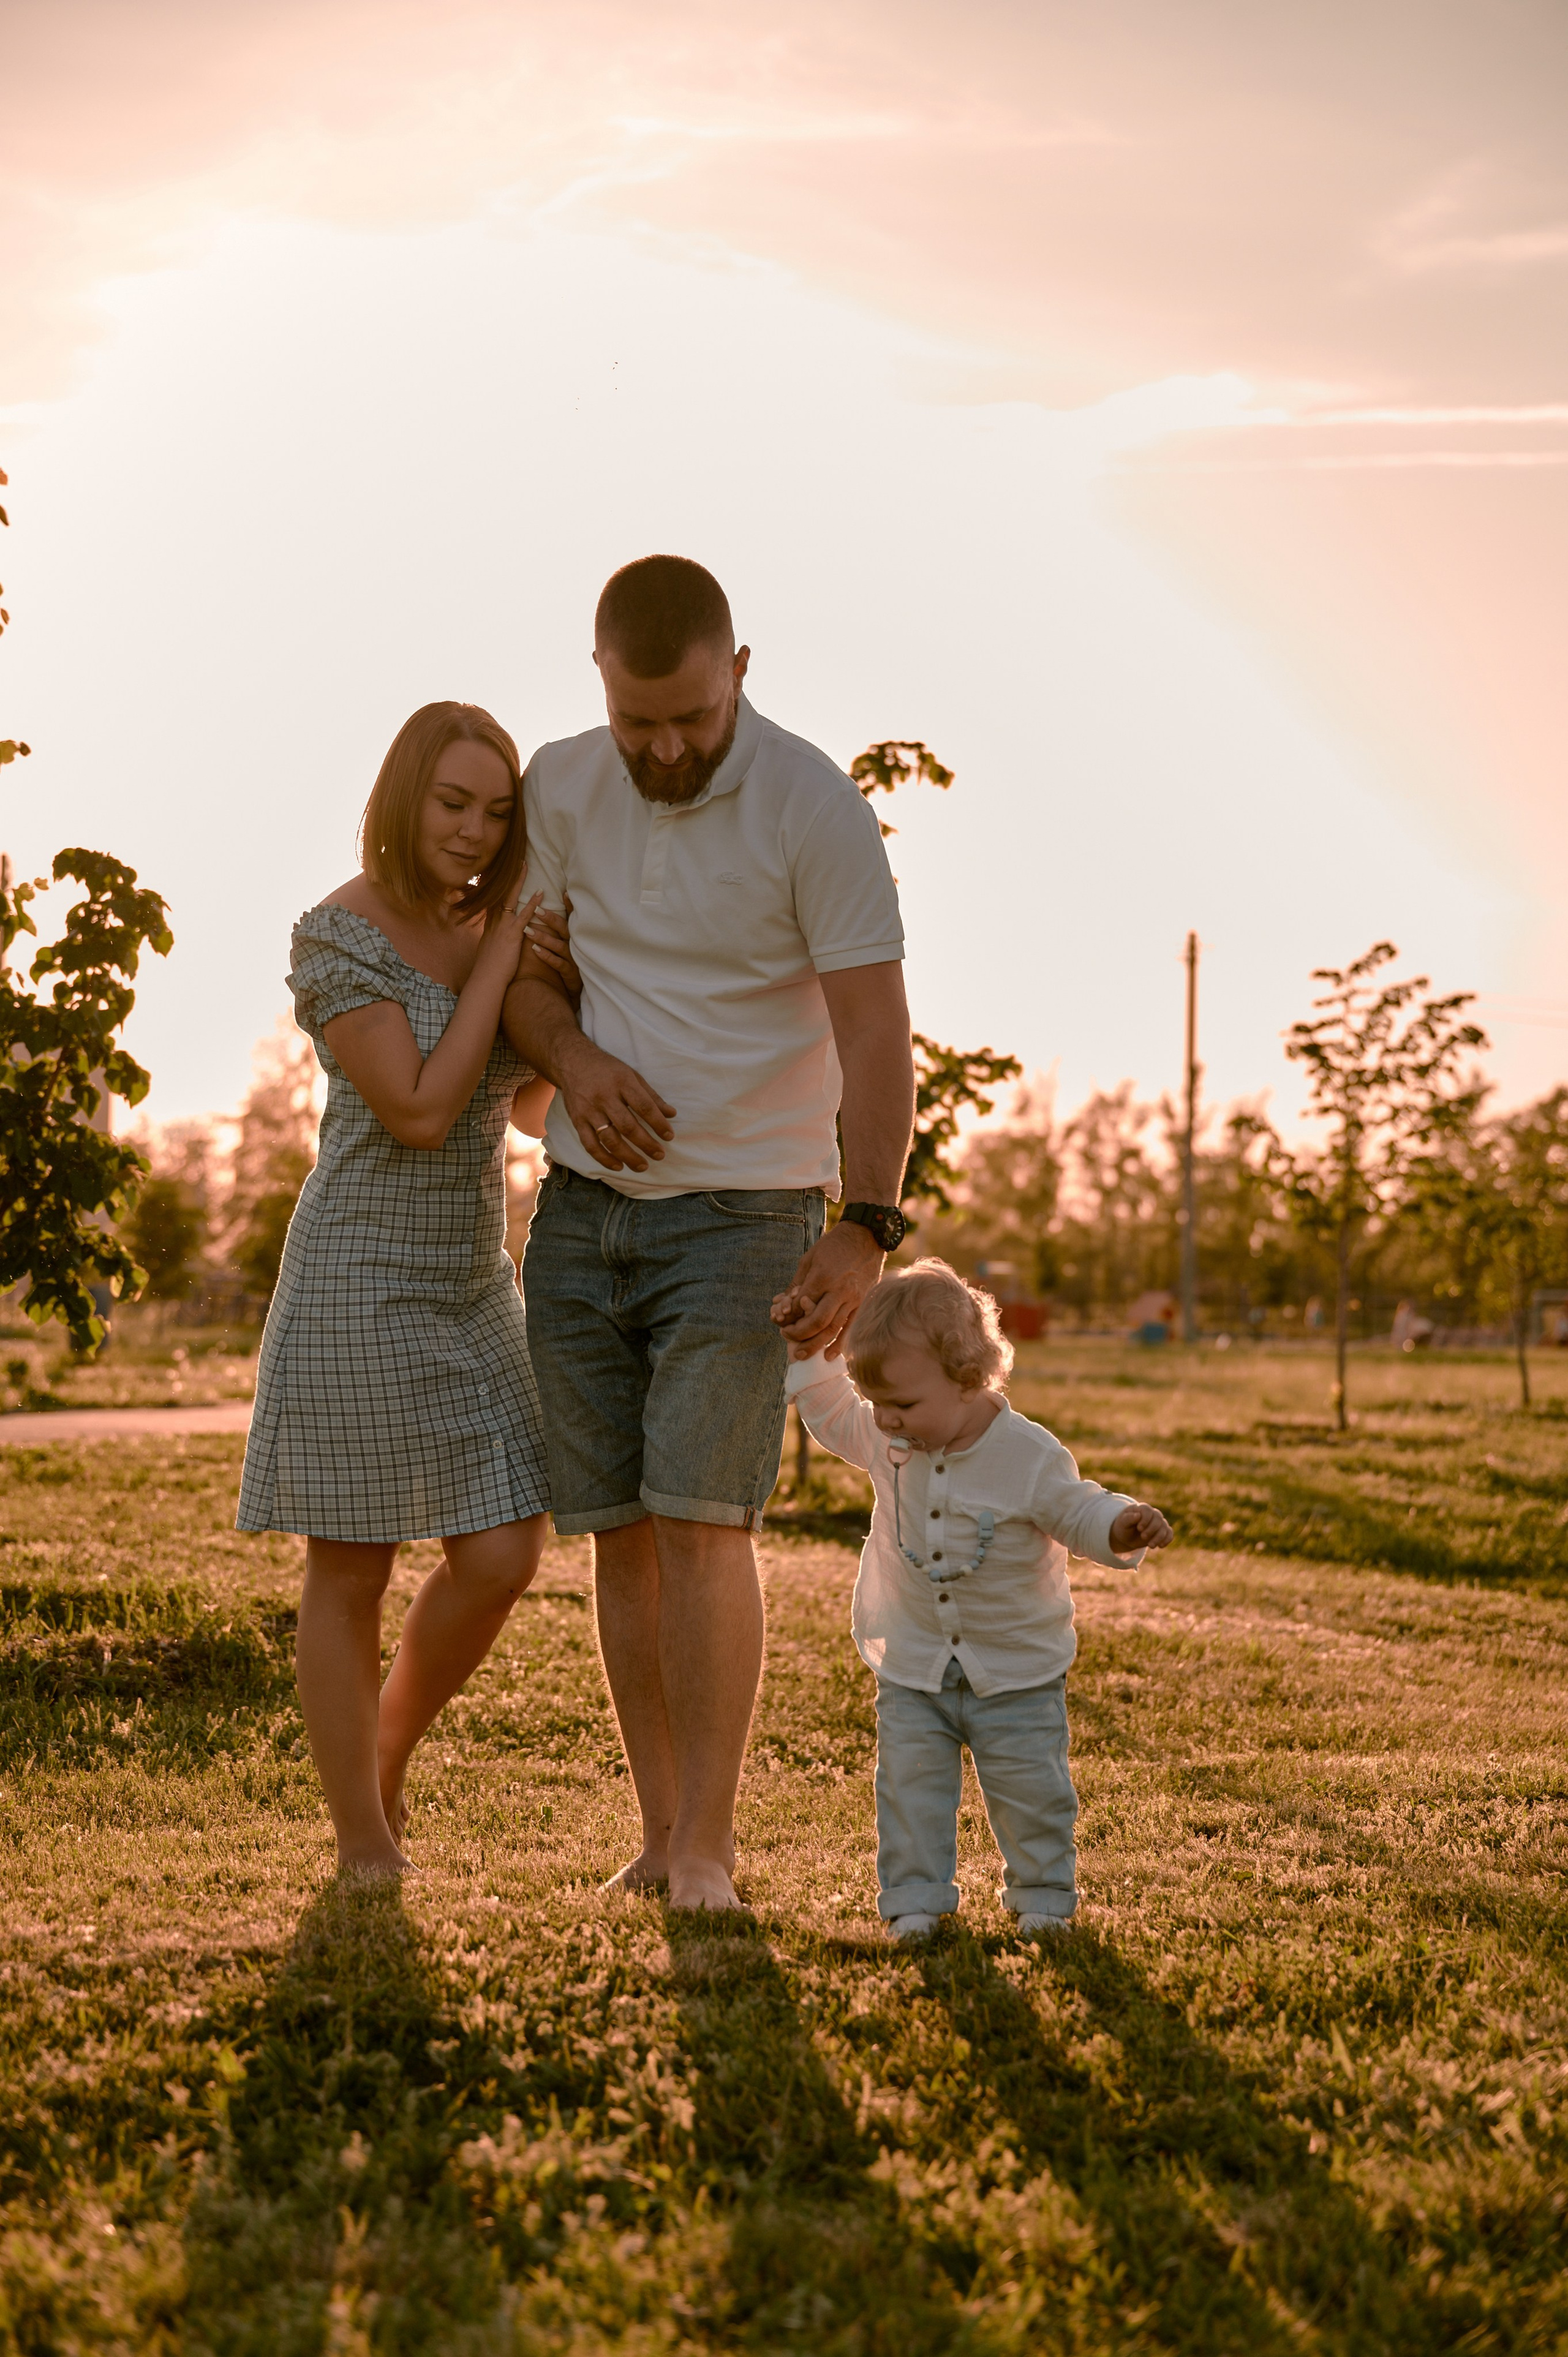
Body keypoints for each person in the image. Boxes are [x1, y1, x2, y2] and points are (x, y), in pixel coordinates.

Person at [505, 554, 914, 1912]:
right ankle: (657, 1830)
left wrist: (864, 1224)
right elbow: (525, 984)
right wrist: (573, 1062)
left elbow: (873, 1030)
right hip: (579, 1212)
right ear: (600, 685)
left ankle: (710, 1850)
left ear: (739, 671)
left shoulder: (813, 805)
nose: (668, 748)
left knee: (701, 1522)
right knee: (620, 1529)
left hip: (745, 1214)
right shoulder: (560, 784)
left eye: (693, 716)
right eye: (641, 723)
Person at [238, 701, 576, 1875]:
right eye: (453, 803)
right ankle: (362, 1836)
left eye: (496, 811)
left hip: (474, 1282)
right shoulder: (342, 934)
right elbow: (424, 1109)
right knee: (351, 1567)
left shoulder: (491, 927)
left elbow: (524, 1104)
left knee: (503, 1553)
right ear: (404, 796)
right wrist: (501, 960)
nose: (475, 831)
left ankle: (378, 1755)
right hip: (358, 1277)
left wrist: (579, 1006)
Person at [780, 1260, 1171, 1939]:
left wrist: (1119, 1525)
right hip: (914, 1662)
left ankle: (1042, 1895)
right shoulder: (888, 1436)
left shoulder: (1027, 1454)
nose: (886, 1419)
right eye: (878, 1402)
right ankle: (915, 1901)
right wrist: (810, 1349)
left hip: (1015, 1669)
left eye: (903, 1404)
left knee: (1032, 1791)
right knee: (908, 1789)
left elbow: (1076, 1508)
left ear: (966, 1378)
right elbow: (833, 1410)